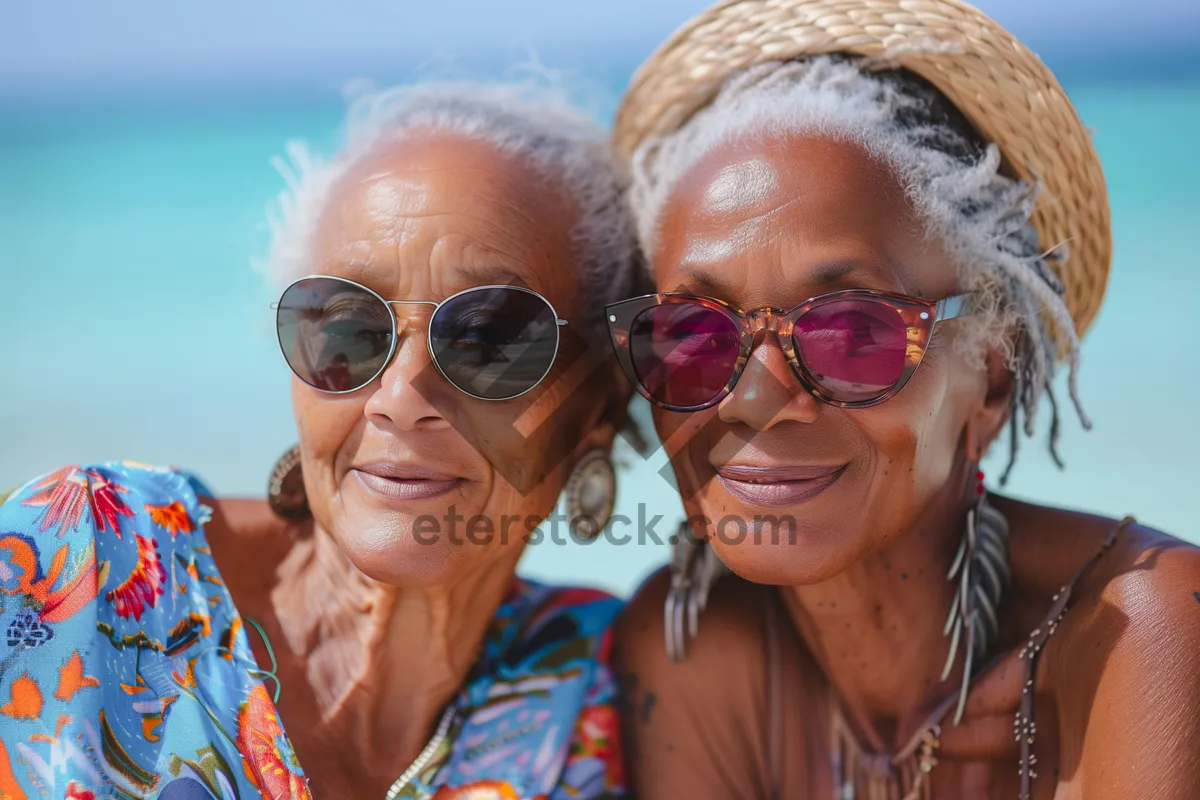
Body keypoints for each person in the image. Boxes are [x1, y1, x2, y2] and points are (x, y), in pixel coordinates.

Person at [605, 1, 1200, 798]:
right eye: (695, 336)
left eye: (851, 332)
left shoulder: (1142, 632)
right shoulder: (688, 644)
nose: (750, 398)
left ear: (992, 375)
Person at [0, 81, 640, 799]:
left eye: (490, 338)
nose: (401, 400)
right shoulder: (71, 559)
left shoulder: (598, 686)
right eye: (348, 329)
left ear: (596, 409)